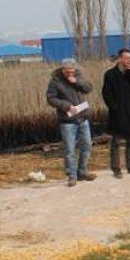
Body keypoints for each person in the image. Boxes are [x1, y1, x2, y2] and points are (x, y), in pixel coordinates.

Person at [46, 58, 95, 187]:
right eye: (67, 72)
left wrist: (77, 82)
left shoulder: (78, 76)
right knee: (70, 150)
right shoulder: (55, 81)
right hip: (67, 120)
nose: (69, 74)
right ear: (62, 70)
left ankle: (82, 172)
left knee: (87, 147)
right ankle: (71, 176)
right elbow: (51, 99)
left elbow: (88, 88)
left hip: (82, 117)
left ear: (75, 69)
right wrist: (65, 106)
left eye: (71, 71)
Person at [102, 48, 130, 178]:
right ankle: (116, 167)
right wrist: (114, 107)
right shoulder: (110, 74)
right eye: (126, 58)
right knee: (116, 142)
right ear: (120, 59)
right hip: (118, 113)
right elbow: (106, 93)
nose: (129, 61)